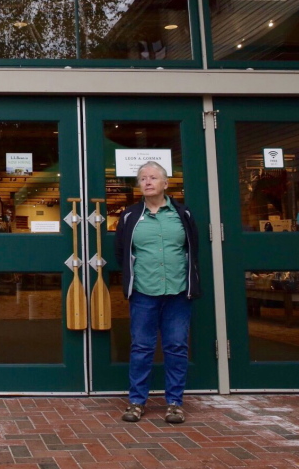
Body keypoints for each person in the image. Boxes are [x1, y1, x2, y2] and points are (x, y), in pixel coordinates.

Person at [113, 161, 201, 425]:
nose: (148, 182)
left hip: (177, 292)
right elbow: (121, 252)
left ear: (165, 183)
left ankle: (174, 403)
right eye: (142, 178)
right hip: (144, 291)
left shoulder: (183, 214)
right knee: (141, 347)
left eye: (153, 178)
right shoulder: (130, 216)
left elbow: (193, 249)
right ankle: (137, 402)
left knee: (176, 346)